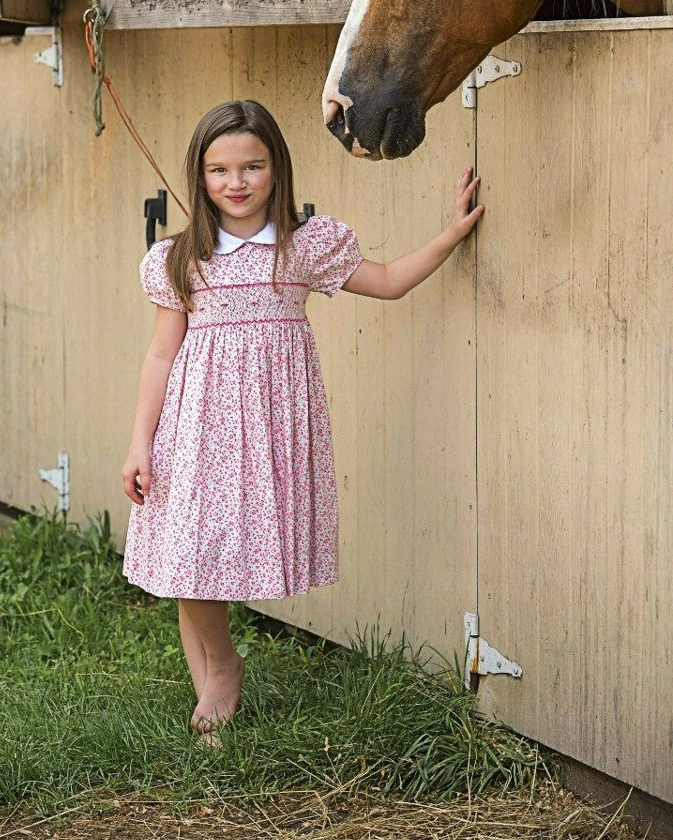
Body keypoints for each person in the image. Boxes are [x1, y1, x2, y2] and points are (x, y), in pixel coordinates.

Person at [120, 100, 483, 740]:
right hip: (195, 425)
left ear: (277, 168)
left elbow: (391, 280)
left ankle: (217, 690)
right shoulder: (181, 258)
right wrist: (138, 443)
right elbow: (159, 353)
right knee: (188, 550)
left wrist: (450, 234)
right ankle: (220, 674)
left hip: (267, 428)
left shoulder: (303, 247)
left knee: (202, 556)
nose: (236, 183)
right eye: (219, 170)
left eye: (252, 166)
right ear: (199, 177)